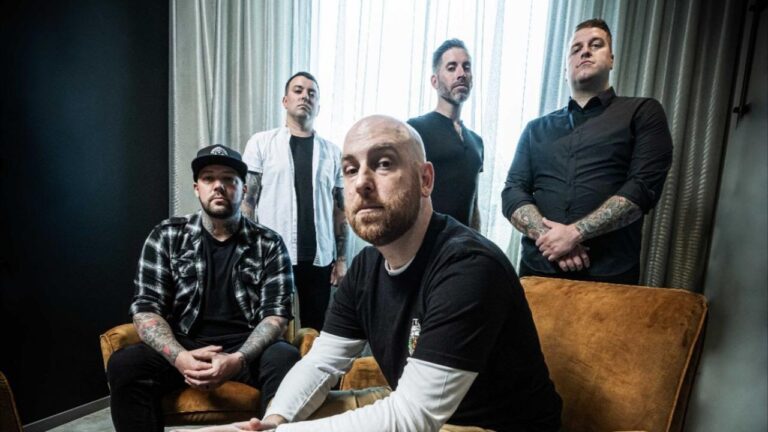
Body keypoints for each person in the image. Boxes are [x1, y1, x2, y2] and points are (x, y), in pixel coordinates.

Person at [180, 116, 562, 432]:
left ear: (425, 180)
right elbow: (321, 363)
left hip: (490, 425)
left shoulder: (469, 265)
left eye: (383, 163)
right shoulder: (366, 266)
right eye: (350, 169)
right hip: (423, 414)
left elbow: (413, 416)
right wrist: (273, 421)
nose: (361, 182)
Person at [107, 145, 300, 432]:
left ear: (244, 189)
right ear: (197, 188)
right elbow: (147, 309)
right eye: (209, 178)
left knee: (285, 357)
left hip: (246, 349)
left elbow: (276, 316)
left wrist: (238, 360)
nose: (218, 186)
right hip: (184, 344)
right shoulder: (166, 235)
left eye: (229, 179)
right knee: (125, 363)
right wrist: (179, 357)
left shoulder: (269, 243)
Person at [501, 18, 673, 284]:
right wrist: (552, 239)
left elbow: (642, 187)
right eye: (576, 48)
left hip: (610, 277)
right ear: (565, 68)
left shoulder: (643, 112)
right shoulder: (535, 129)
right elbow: (512, 191)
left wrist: (575, 234)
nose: (585, 52)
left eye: (596, 45)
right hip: (537, 273)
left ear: (611, 59)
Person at [242, 72, 346, 331]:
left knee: (314, 331)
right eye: (298, 90)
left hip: (319, 258)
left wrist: (342, 258)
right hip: (272, 255)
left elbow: (340, 209)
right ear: (285, 100)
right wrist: (246, 251)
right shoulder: (261, 143)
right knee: (270, 328)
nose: (305, 96)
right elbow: (248, 201)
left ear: (318, 105)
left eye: (312, 93)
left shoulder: (333, 153)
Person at [408, 39, 484, 230]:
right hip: (426, 244)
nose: (461, 74)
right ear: (435, 81)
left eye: (466, 67)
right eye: (451, 68)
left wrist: (477, 240)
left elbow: (474, 204)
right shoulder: (415, 130)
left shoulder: (477, 142)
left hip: (464, 244)